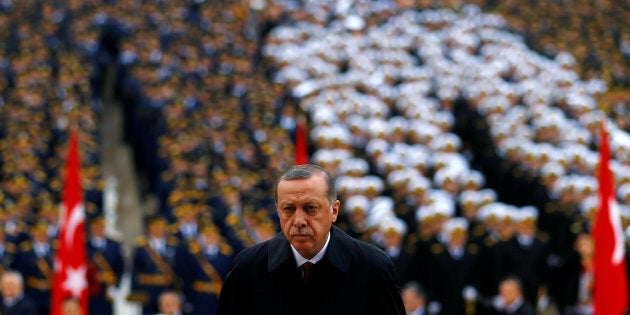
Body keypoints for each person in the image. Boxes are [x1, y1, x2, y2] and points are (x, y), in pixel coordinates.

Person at [217, 164, 405, 314]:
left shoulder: (372, 268)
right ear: (278, 211)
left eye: (311, 208)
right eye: (288, 209)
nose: (298, 221)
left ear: (334, 211)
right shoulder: (248, 268)